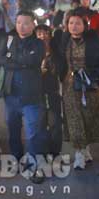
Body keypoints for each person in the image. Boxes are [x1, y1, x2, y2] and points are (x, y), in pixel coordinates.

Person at [51, 10, 99, 170]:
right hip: (69, 84)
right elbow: (56, 56)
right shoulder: (64, 39)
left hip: (89, 85)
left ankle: (86, 149)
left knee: (89, 117)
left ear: (85, 25)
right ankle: (78, 153)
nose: (74, 26)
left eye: (78, 23)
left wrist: (97, 78)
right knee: (74, 118)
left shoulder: (95, 41)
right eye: (71, 23)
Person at [0, 11, 47, 182]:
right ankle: (16, 159)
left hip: (31, 96)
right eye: (18, 22)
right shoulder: (9, 39)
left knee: (34, 133)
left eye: (25, 23)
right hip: (11, 94)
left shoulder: (39, 44)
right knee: (13, 130)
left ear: (33, 25)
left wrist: (13, 60)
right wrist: (21, 61)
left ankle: (34, 166)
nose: (21, 26)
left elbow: (33, 60)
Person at [37, 22, 64, 157]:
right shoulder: (33, 50)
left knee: (55, 122)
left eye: (46, 33)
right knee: (40, 122)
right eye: (40, 33)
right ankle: (42, 149)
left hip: (53, 90)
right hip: (37, 92)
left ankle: (55, 151)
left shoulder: (56, 51)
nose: (43, 36)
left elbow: (61, 68)